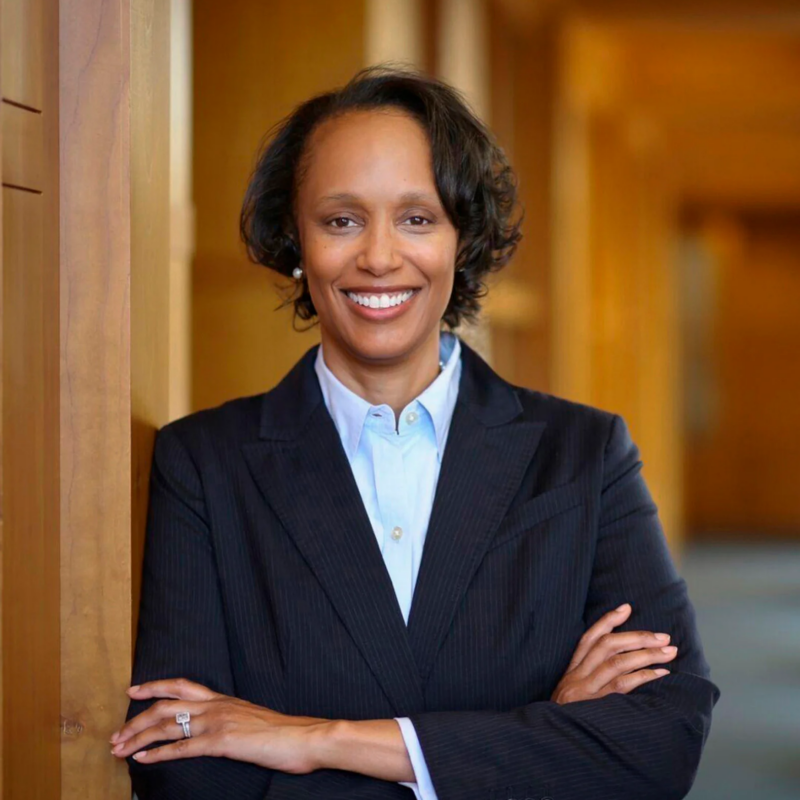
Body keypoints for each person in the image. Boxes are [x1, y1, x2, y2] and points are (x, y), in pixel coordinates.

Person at [111, 66, 719, 800]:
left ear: (463, 239)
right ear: (294, 240)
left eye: (417, 218)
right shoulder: (202, 465)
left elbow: (661, 743)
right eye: (341, 220)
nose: (378, 256)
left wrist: (312, 739)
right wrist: (536, 739)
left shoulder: (584, 456)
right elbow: (190, 774)